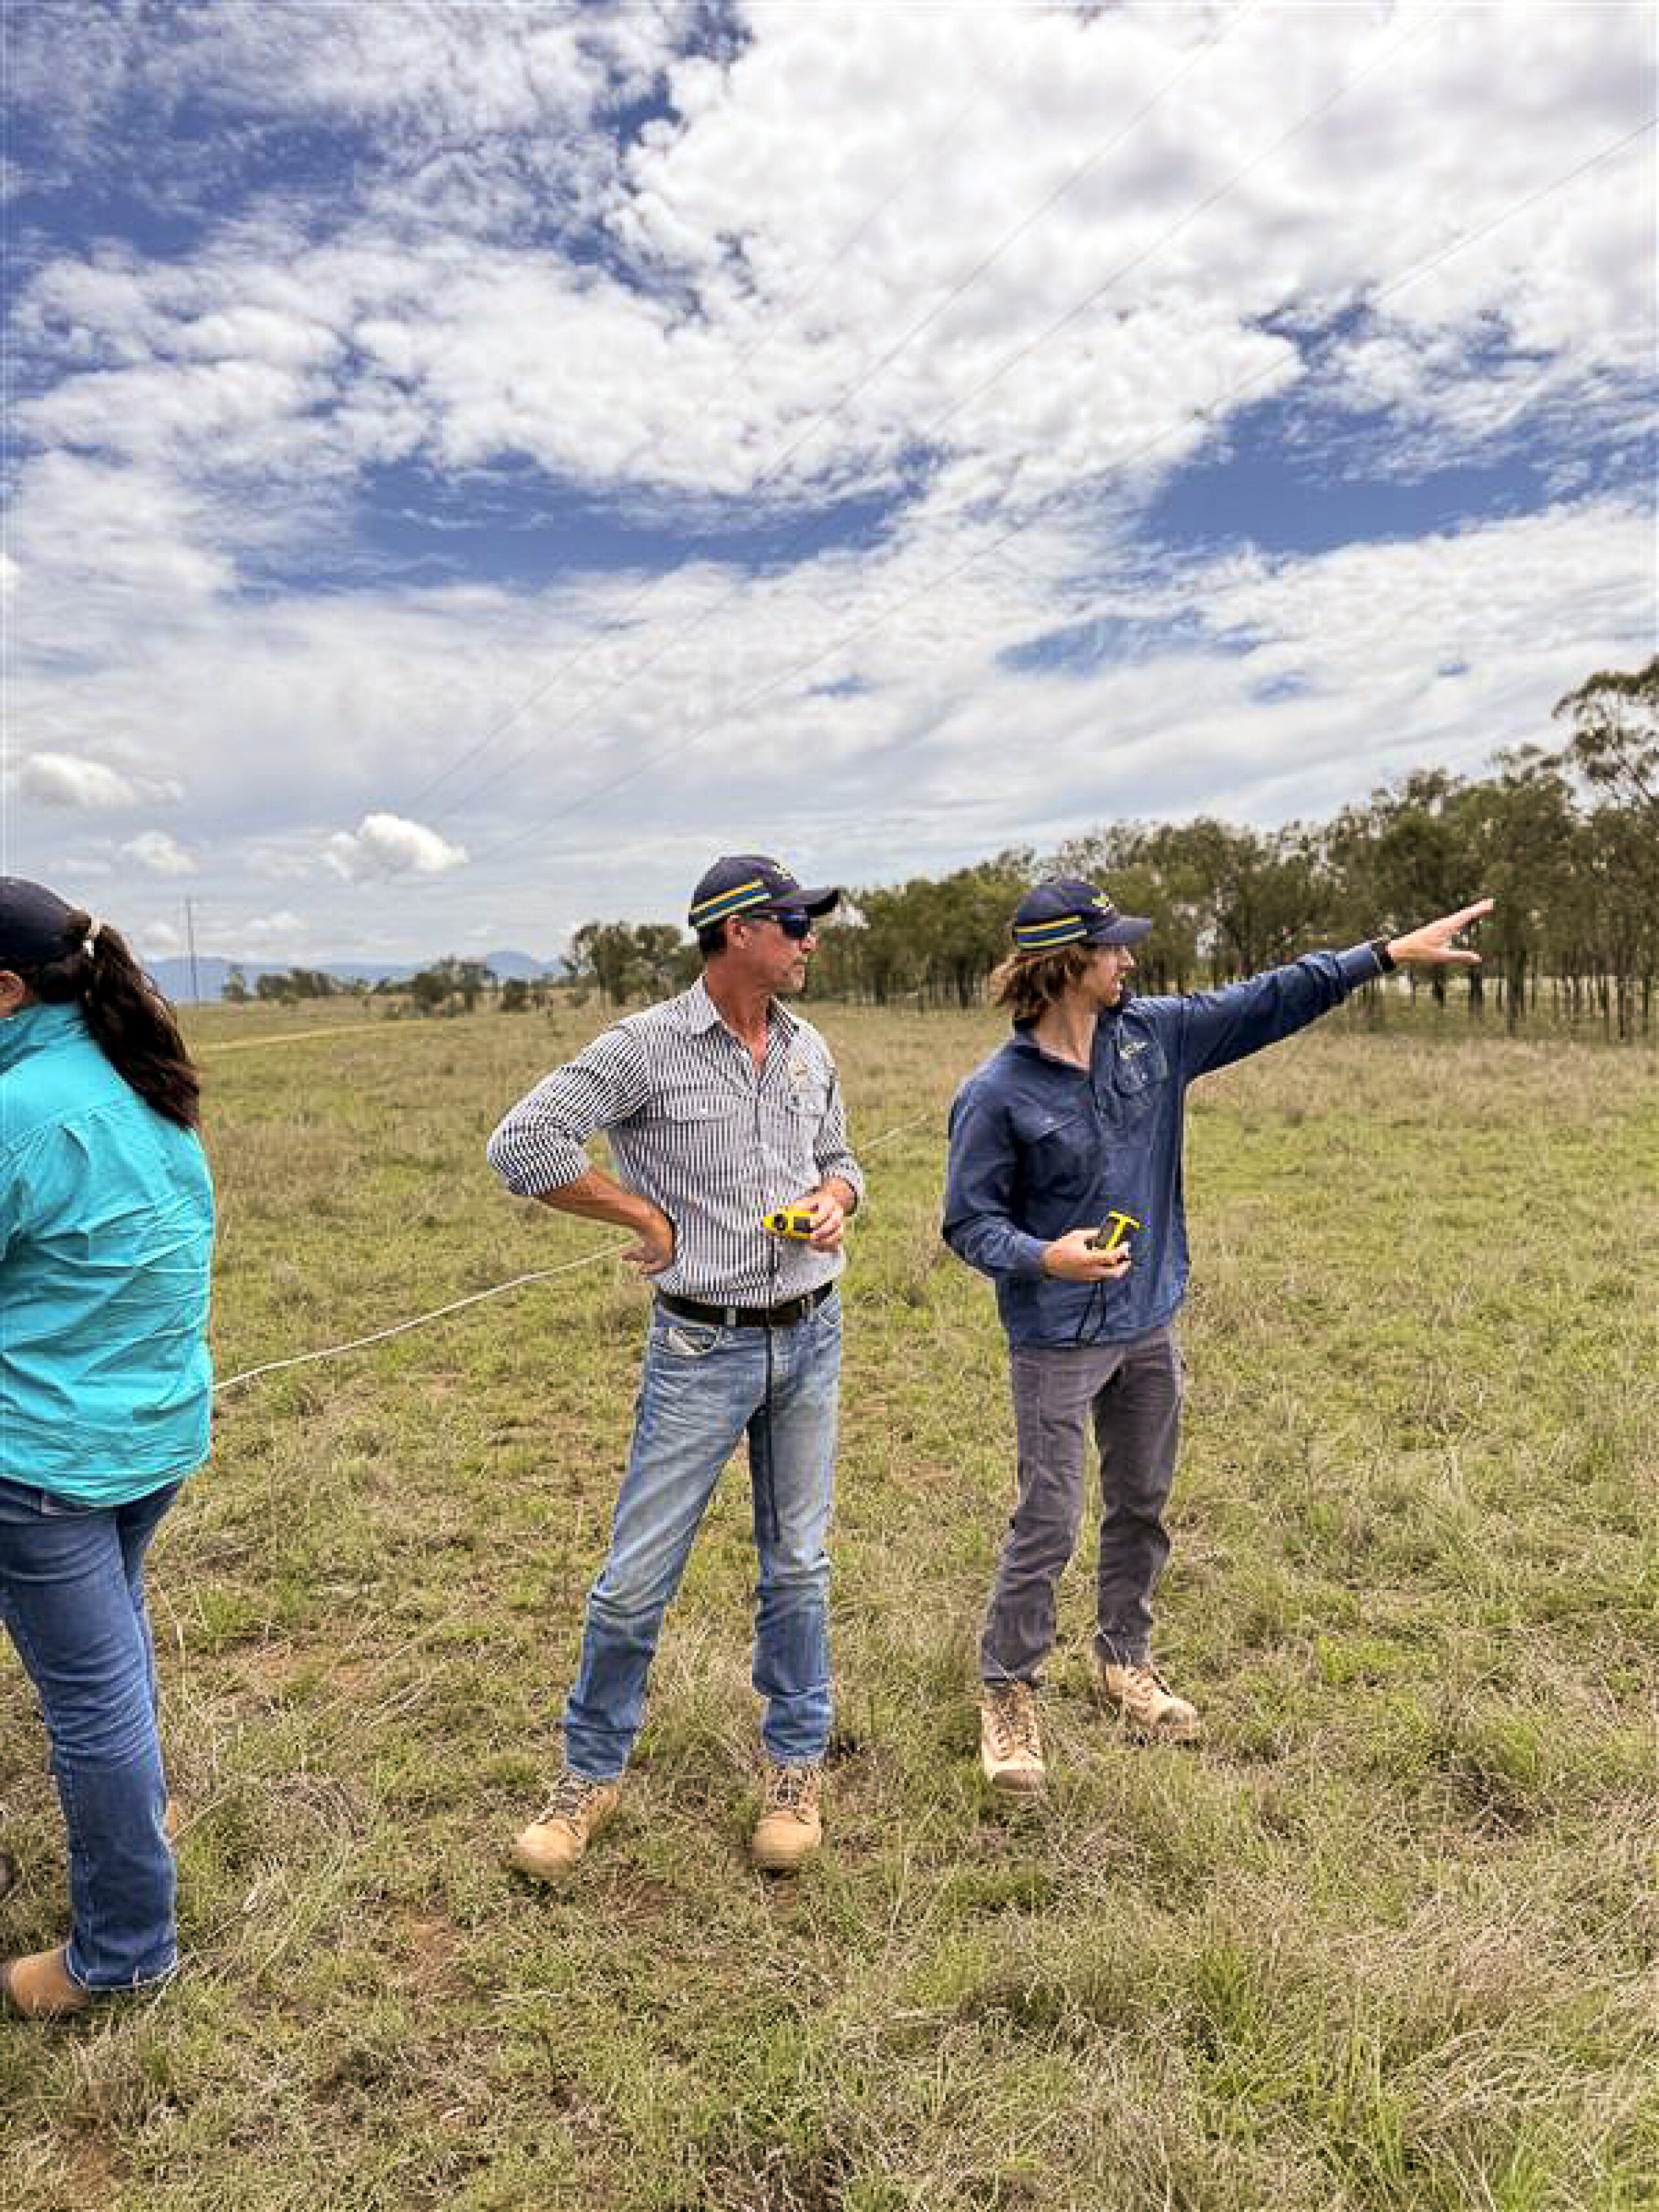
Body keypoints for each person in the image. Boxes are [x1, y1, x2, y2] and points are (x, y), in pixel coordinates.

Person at [944, 876, 1491, 1792]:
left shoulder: (1156, 1038)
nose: (1129, 958)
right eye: (1112, 946)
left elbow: (1273, 996)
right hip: (1055, 1338)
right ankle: (1007, 1689)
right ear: (1067, 962)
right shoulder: (995, 1093)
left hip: (1149, 1324)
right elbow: (967, 1224)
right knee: (1048, 1519)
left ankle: (1125, 1658)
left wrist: (1386, 953)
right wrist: (1047, 1255)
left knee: (1142, 1502)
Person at [487, 854, 863, 1876]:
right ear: (738, 931)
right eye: (795, 922)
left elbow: (843, 1155)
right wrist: (640, 1211)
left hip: (811, 1332)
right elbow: (522, 1144)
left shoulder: (807, 1045)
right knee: (633, 1581)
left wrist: (837, 1196)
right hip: (701, 1343)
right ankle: (586, 1780)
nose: (810, 939)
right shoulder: (645, 1047)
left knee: (798, 1569)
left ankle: (794, 1767)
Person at [0, 878, 214, 2019]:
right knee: (112, 1652)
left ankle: (124, 1947)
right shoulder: (146, 1077)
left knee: (90, 1699)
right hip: (149, 1436)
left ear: (5, 989)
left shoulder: (22, 1107)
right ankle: (148, 1818)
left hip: (42, 1462)